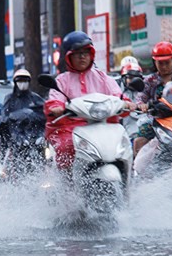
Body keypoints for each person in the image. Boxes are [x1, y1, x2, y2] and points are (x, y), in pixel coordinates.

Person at [44, 30, 136, 173]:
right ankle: (66, 186)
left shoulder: (102, 77)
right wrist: (56, 107)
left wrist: (126, 103)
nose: (82, 57)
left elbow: (118, 96)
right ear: (68, 57)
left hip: (105, 126)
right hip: (72, 129)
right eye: (77, 53)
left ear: (91, 54)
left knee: (123, 146)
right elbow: (55, 98)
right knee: (66, 147)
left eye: (86, 53)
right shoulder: (62, 80)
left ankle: (130, 177)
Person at [133, 41, 172, 157]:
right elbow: (140, 97)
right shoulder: (149, 81)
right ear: (154, 63)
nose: (164, 66)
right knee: (139, 141)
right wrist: (142, 105)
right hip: (156, 121)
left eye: (167, 62)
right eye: (160, 63)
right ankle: (139, 174)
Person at [120, 63, 145, 142]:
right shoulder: (118, 92)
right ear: (124, 79)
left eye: (136, 78)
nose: (134, 81)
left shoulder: (146, 93)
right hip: (125, 135)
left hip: (143, 134)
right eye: (130, 78)